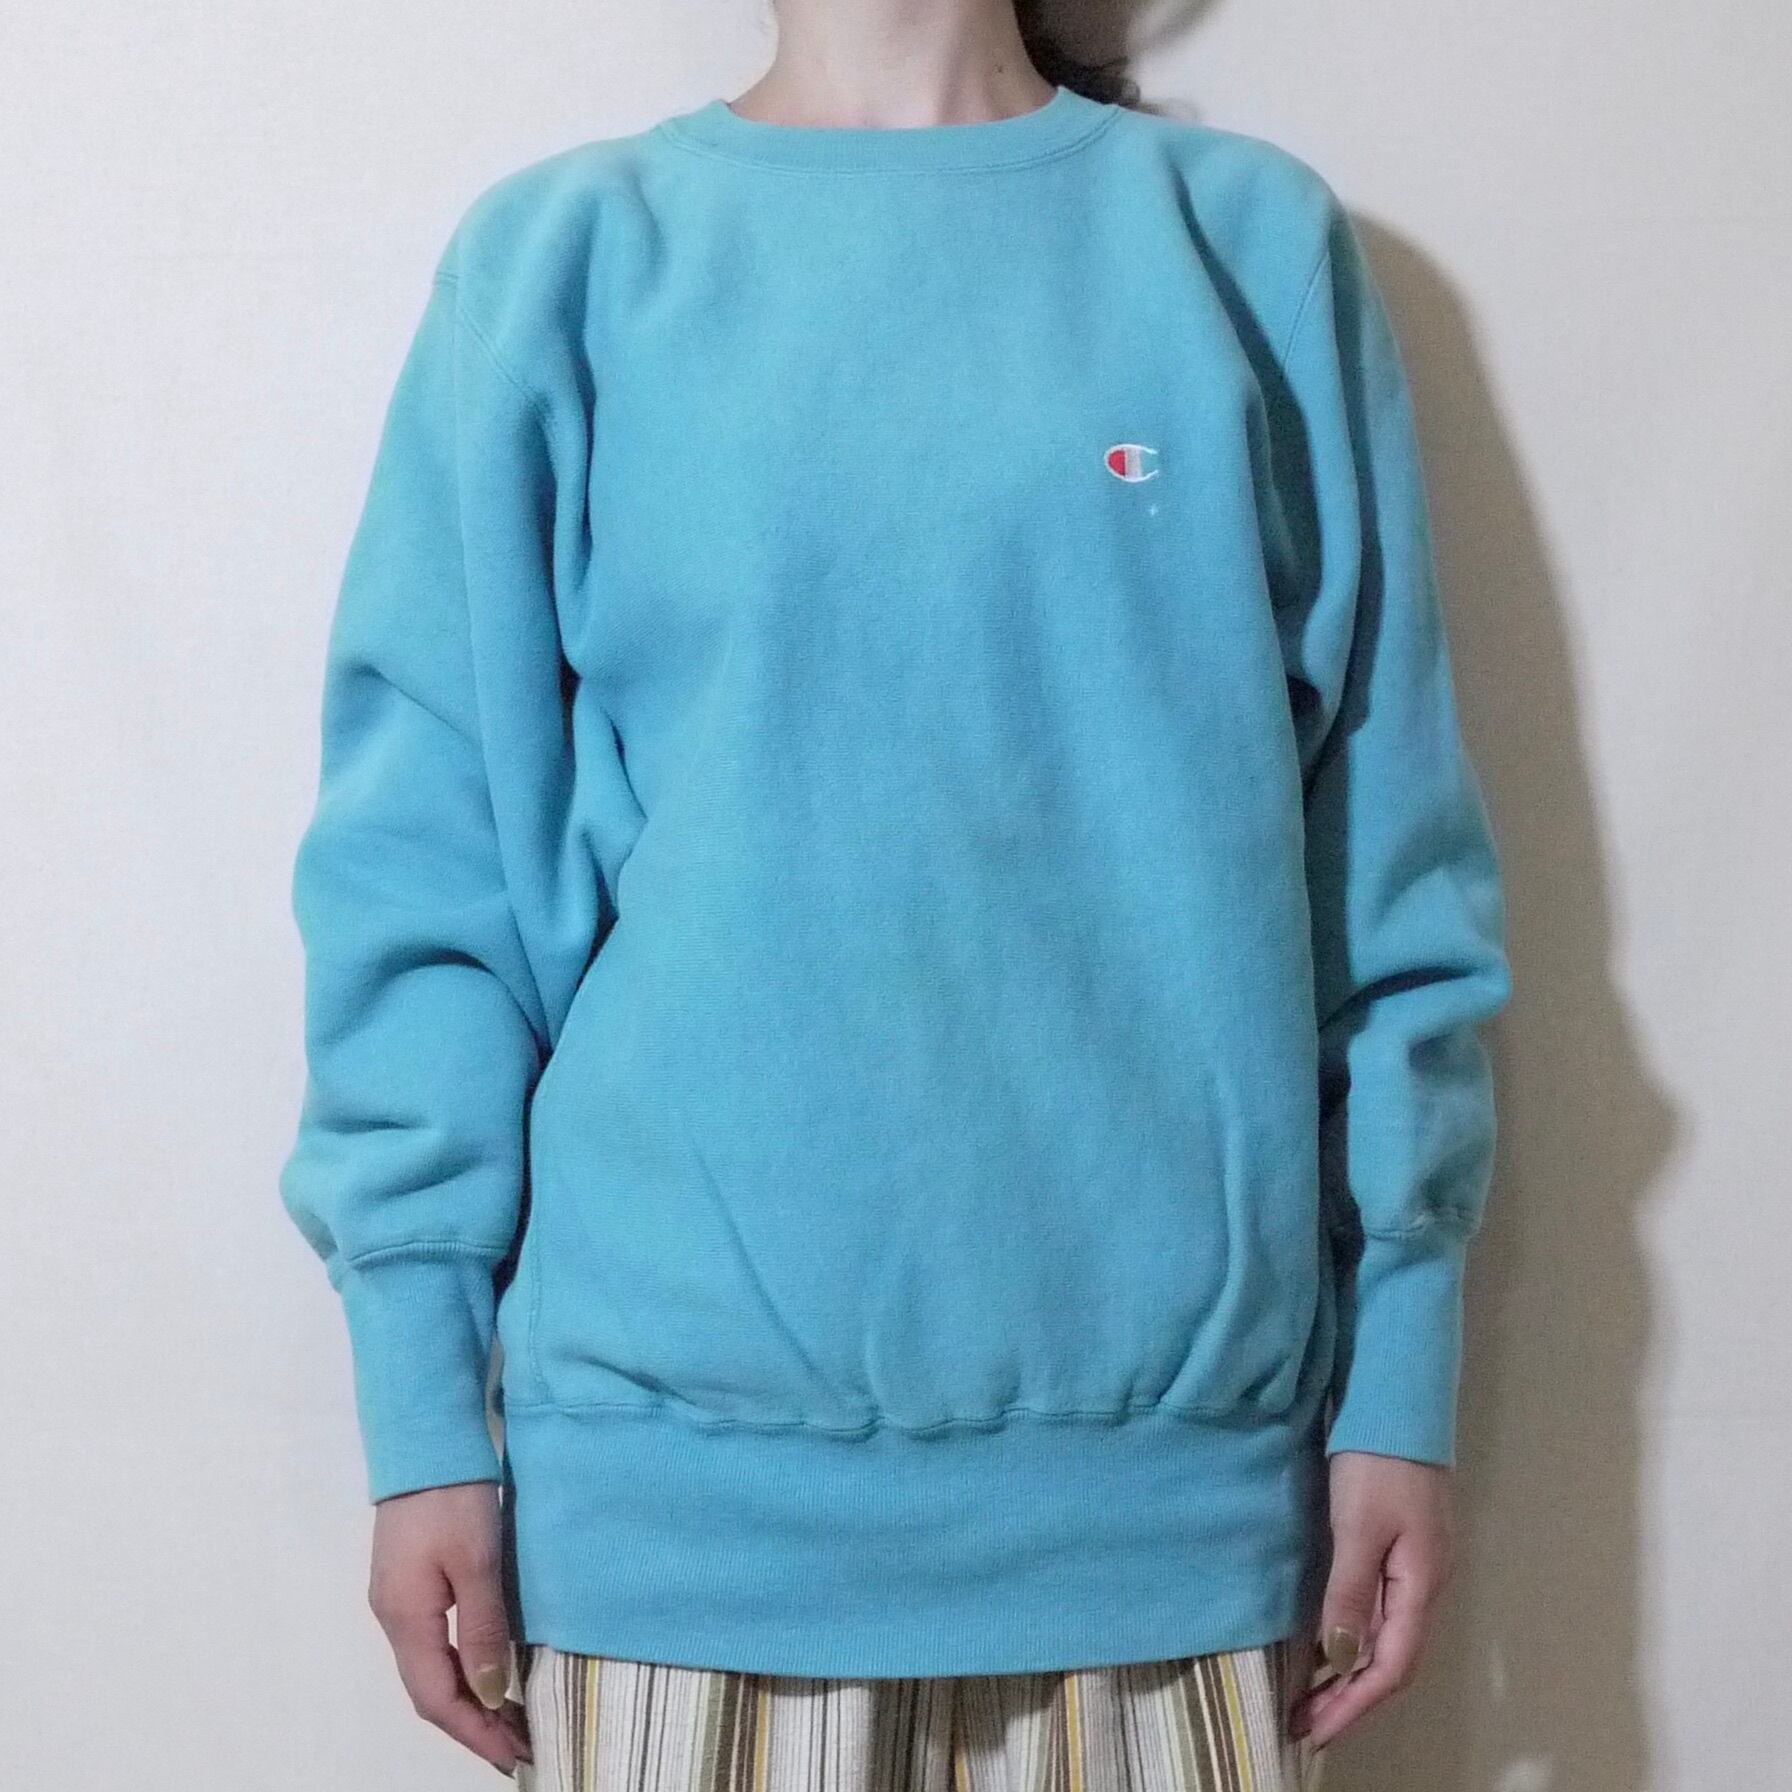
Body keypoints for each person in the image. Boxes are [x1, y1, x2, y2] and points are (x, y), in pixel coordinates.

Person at [279, 1, 1511, 1786]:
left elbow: (1385, 867)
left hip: (1171, 1516)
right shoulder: (570, 258)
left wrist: (1401, 1368)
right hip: (673, 1524)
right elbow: (431, 876)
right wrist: (420, 1411)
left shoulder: (1237, 242)